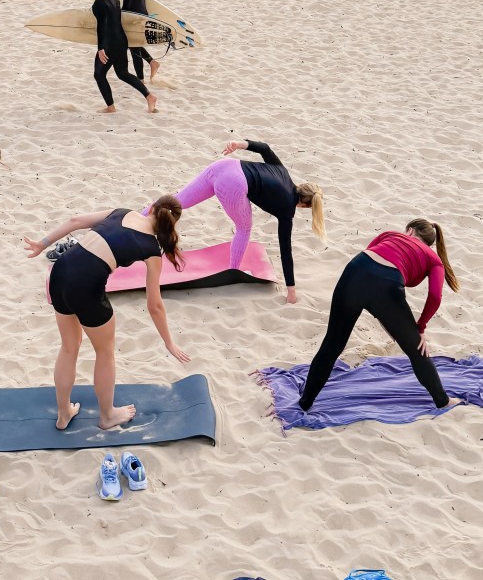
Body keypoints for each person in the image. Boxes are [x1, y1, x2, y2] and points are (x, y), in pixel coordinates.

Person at [23, 198, 190, 430]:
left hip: (60, 271)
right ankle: (108, 415)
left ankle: (63, 414)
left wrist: (43, 244)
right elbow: (155, 305)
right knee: (105, 353)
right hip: (86, 287)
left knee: (69, 347)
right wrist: (169, 342)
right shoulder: (152, 251)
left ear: (150, 208)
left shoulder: (123, 211)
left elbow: (76, 220)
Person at [298, 220, 464, 413]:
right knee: (416, 349)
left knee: (332, 344)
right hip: (388, 285)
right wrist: (420, 328)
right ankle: (443, 401)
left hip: (355, 270)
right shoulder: (434, 259)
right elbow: (435, 296)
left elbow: (371, 268)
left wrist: (388, 319)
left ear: (409, 231)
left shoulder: (389, 235)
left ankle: (305, 402)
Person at [170, 139, 324, 303]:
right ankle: (233, 271)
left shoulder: (283, 171)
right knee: (244, 228)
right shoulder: (287, 210)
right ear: (305, 206)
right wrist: (291, 290)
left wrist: (238, 144)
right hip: (232, 183)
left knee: (177, 201)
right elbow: (286, 251)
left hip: (224, 165)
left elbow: (265, 148)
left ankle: (143, 219)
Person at [90, 0, 157, 114]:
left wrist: (101, 48)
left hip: (109, 44)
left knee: (99, 74)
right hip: (121, 41)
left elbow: (102, 26)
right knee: (122, 73)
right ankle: (149, 96)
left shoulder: (99, 3)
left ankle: (111, 107)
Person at [119, 0, 160, 83]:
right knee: (134, 46)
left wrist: (119, 20)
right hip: (143, 16)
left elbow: (127, 7)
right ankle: (152, 62)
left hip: (135, 19)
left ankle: (141, 80)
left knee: (134, 48)